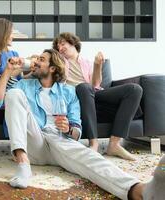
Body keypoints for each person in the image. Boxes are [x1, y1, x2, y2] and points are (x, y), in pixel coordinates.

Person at [0, 48, 165, 200]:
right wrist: (7, 71)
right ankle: (22, 163)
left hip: (59, 139)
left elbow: (77, 130)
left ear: (52, 68)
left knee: (91, 158)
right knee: (13, 95)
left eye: (41, 60)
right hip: (35, 142)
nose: (35, 62)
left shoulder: (69, 92)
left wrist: (68, 128)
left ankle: (140, 191)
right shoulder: (24, 85)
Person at [53, 32, 143, 160]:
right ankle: (93, 143)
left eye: (63, 44)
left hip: (94, 95)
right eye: (58, 46)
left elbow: (95, 84)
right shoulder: (59, 62)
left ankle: (114, 144)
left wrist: (97, 65)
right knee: (83, 87)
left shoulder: (87, 63)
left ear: (73, 43)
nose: (60, 47)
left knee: (134, 89)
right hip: (77, 98)